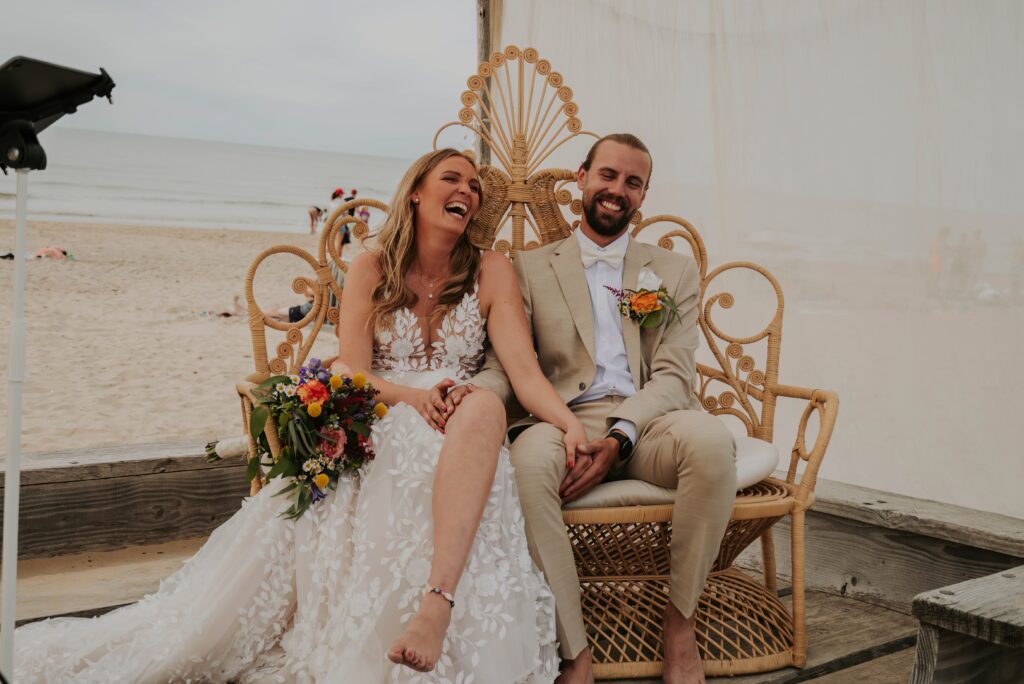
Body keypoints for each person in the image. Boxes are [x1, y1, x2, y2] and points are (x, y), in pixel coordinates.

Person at [15, 149, 582, 683]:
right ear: (415, 193)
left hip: (460, 420)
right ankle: (407, 620)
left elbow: (525, 374)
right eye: (452, 180)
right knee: (403, 461)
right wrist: (414, 399)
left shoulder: (492, 270)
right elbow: (354, 374)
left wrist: (570, 424)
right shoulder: (370, 266)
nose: (468, 191)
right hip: (384, 407)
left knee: (465, 433)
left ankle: (437, 606)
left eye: (475, 187)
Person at [467, 134, 737, 684]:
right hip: (556, 416)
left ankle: (680, 625)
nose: (617, 190)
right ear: (582, 177)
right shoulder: (528, 267)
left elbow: (675, 376)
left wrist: (621, 435)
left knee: (712, 443)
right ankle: (576, 650)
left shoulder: (674, 271)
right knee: (525, 467)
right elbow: (511, 363)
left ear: (643, 195)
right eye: (608, 175)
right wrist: (471, 394)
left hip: (649, 420)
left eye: (632, 183)